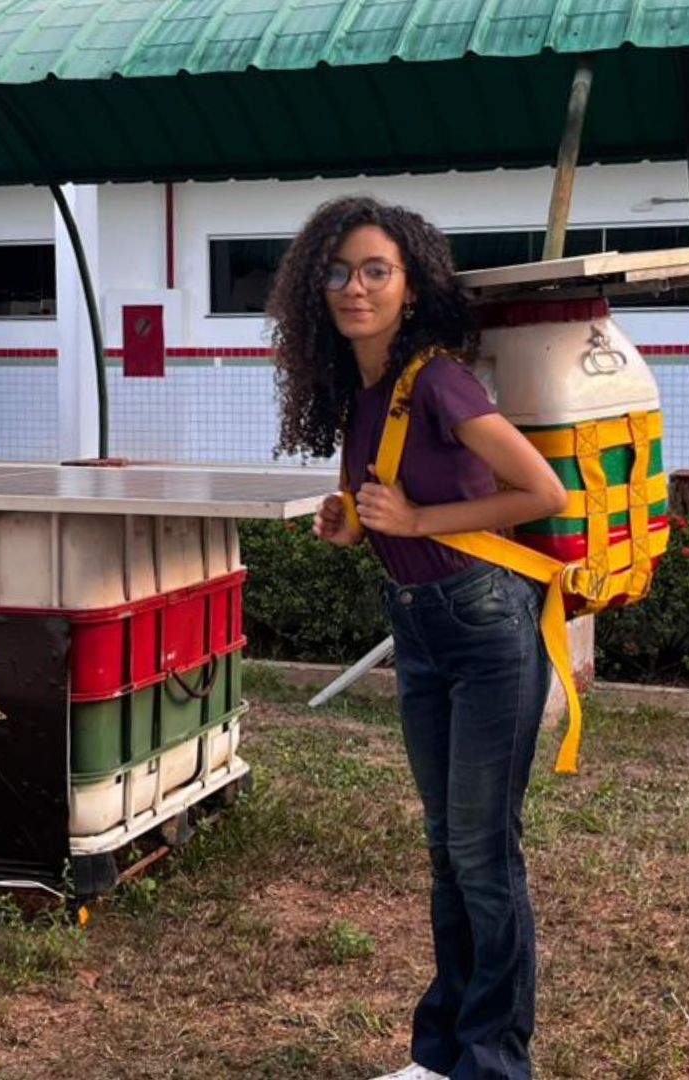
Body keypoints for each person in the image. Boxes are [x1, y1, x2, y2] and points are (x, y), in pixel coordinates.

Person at [267, 195, 568, 1080]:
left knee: (482, 853)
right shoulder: (363, 390)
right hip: (421, 627)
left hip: (485, 628)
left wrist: (418, 518)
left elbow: (542, 492)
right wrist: (354, 522)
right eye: (338, 272)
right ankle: (441, 1057)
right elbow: (390, 502)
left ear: (411, 286)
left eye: (375, 271)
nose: (354, 287)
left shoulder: (438, 379)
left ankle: (494, 1063)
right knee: (447, 852)